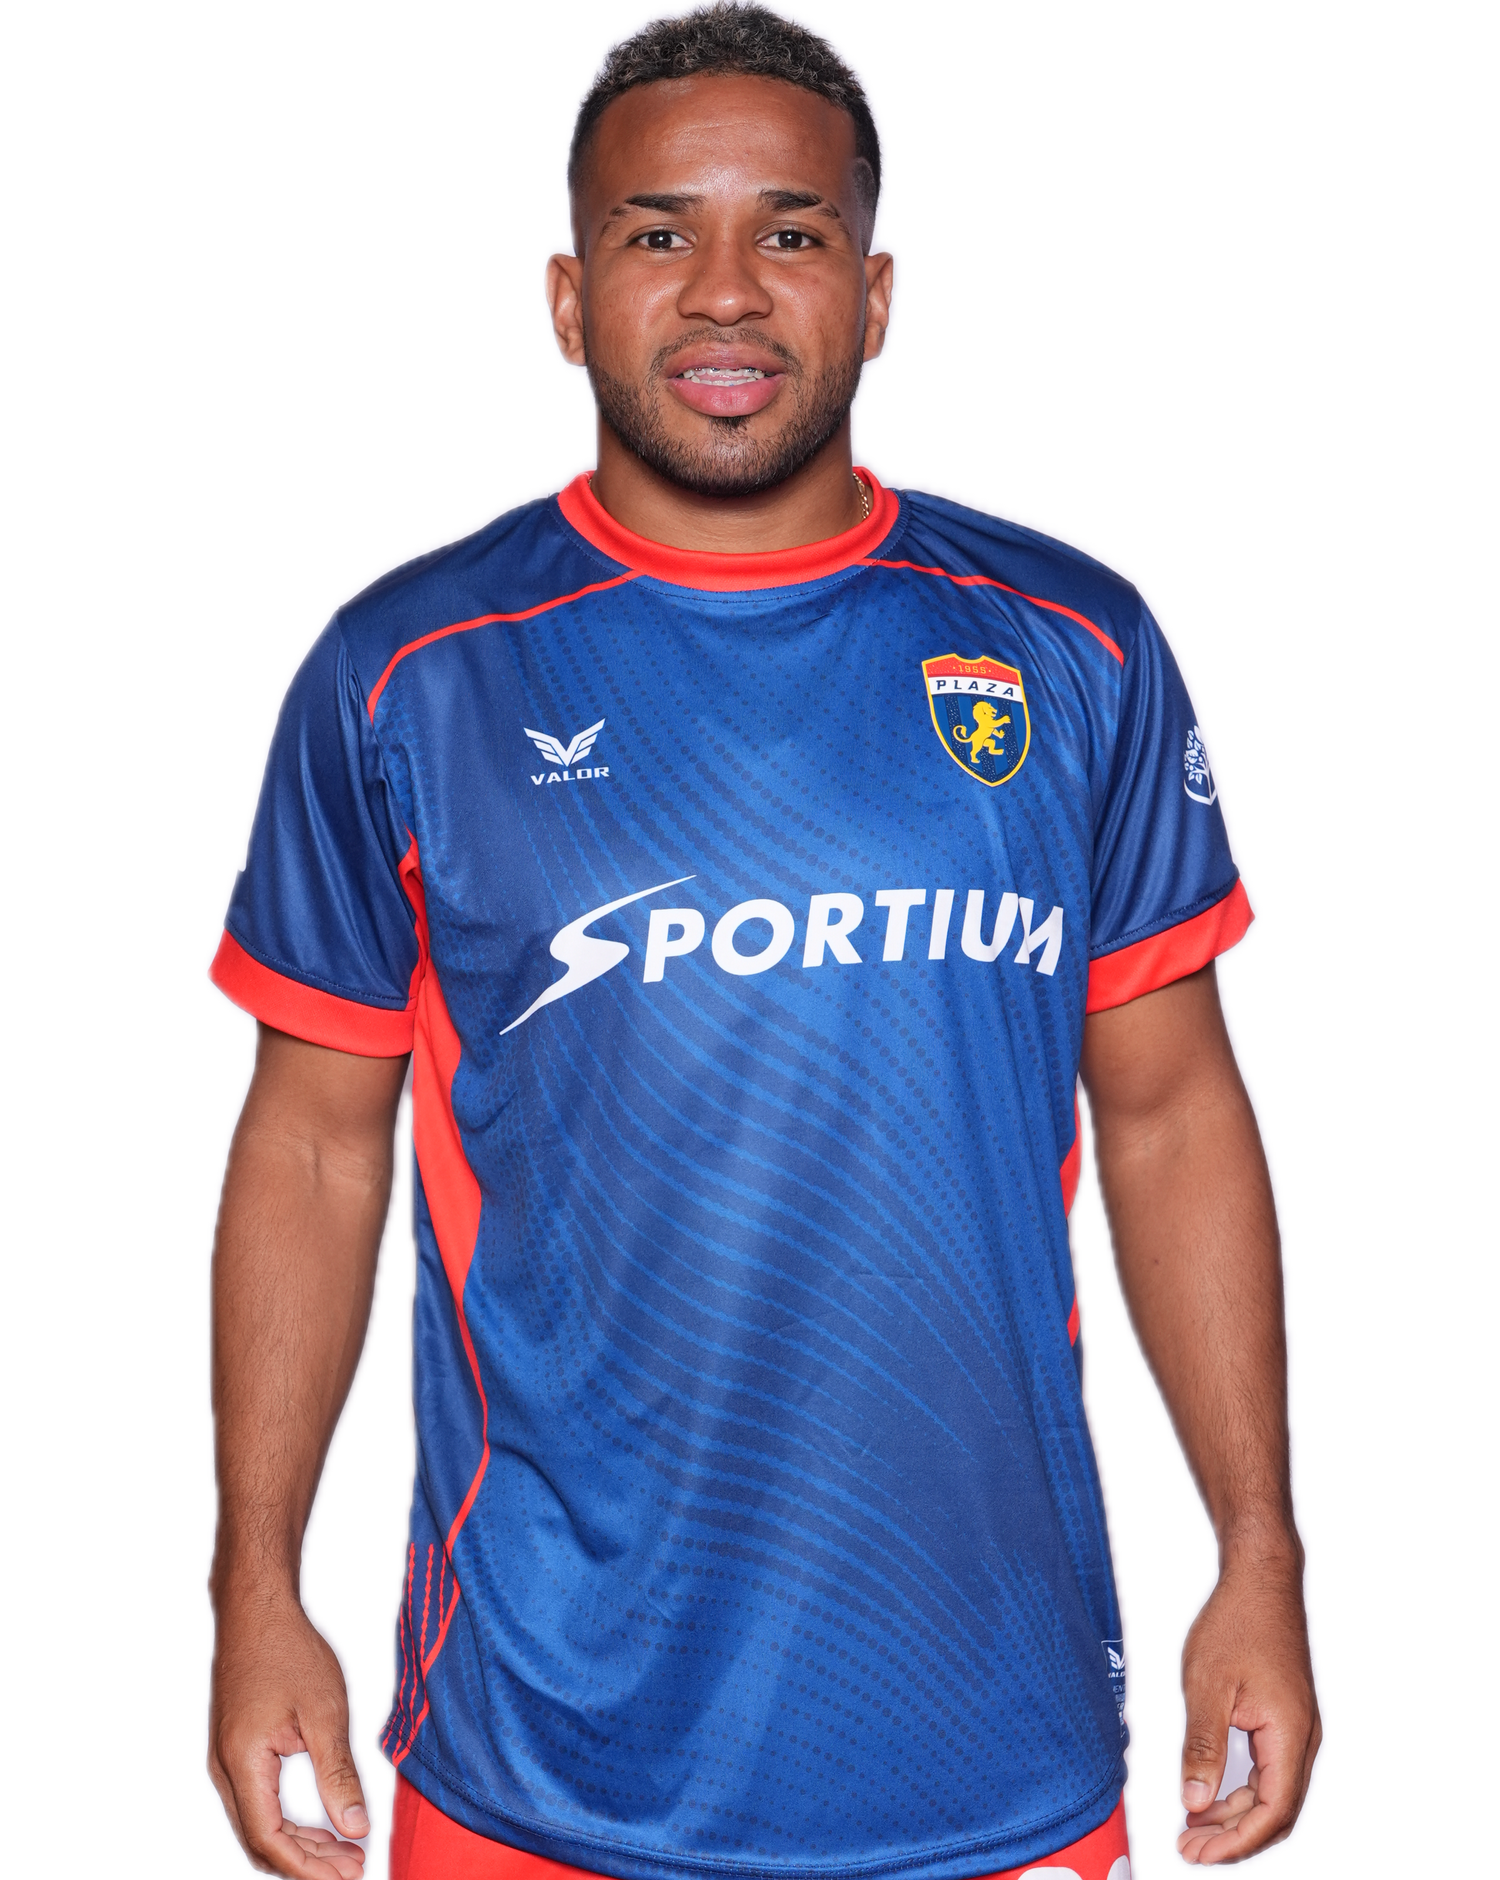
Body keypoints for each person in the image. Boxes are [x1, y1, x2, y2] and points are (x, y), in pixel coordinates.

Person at [201, 6, 1323, 1877]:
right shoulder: (407, 669)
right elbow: (314, 1146)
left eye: (790, 232)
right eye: (659, 233)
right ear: (566, 299)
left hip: (999, 1750)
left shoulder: (1078, 639)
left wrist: (1261, 1558)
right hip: (535, 1757)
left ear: (877, 295)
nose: (726, 291)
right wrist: (254, 1592)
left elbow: (1171, 1112)